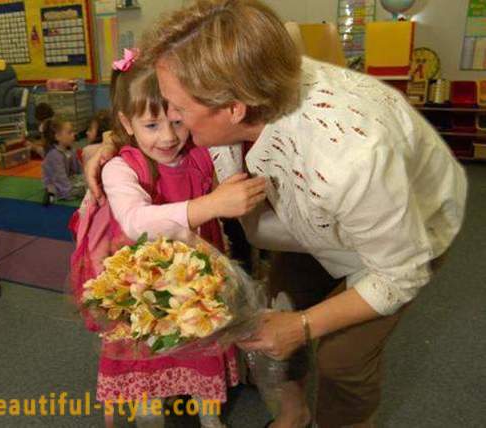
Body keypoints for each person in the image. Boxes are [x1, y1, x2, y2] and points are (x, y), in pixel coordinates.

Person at [84, 1, 468, 427]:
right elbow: (150, 126)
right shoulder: (243, 86)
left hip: (404, 234)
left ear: (233, 109)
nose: (172, 122)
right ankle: (293, 414)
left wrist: (301, 326)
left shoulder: (350, 160)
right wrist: (111, 145)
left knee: (343, 359)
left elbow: (401, 273)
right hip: (311, 217)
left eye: (180, 111)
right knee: (278, 299)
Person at [70, 51, 268, 428]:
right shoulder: (119, 167)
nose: (169, 137)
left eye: (178, 121)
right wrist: (210, 203)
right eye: (151, 125)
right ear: (127, 122)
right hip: (147, 284)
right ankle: (150, 408)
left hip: (198, 280)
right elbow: (133, 220)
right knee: (149, 348)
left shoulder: (199, 152)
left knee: (203, 337)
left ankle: (208, 410)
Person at [41, 114, 85, 205]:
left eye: (73, 132)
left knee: (87, 183)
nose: (73, 135)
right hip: (56, 183)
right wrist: (68, 192)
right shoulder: (54, 155)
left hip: (68, 178)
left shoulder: (70, 149)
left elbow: (78, 169)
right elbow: (59, 177)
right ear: (57, 137)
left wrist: (85, 177)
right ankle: (50, 195)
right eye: (69, 133)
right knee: (54, 188)